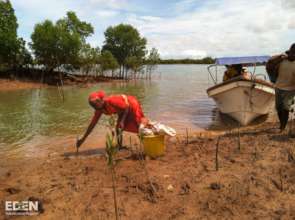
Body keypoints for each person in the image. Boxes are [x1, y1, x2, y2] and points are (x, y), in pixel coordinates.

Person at [76, 90, 146, 149]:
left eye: (95, 105)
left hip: (131, 104)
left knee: (139, 125)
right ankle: (120, 146)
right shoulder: (99, 109)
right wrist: (82, 139)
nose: (94, 108)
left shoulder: (111, 101)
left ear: (101, 101)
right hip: (122, 110)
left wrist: (122, 121)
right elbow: (92, 124)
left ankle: (149, 137)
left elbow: (126, 107)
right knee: (118, 128)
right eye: (92, 106)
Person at [274, 43, 295, 132]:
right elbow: (271, 63)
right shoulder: (282, 61)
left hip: (290, 90)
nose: (293, 55)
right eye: (292, 52)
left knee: (285, 108)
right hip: (278, 87)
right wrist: (280, 57)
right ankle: (282, 124)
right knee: (278, 108)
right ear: (289, 52)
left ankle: (282, 127)